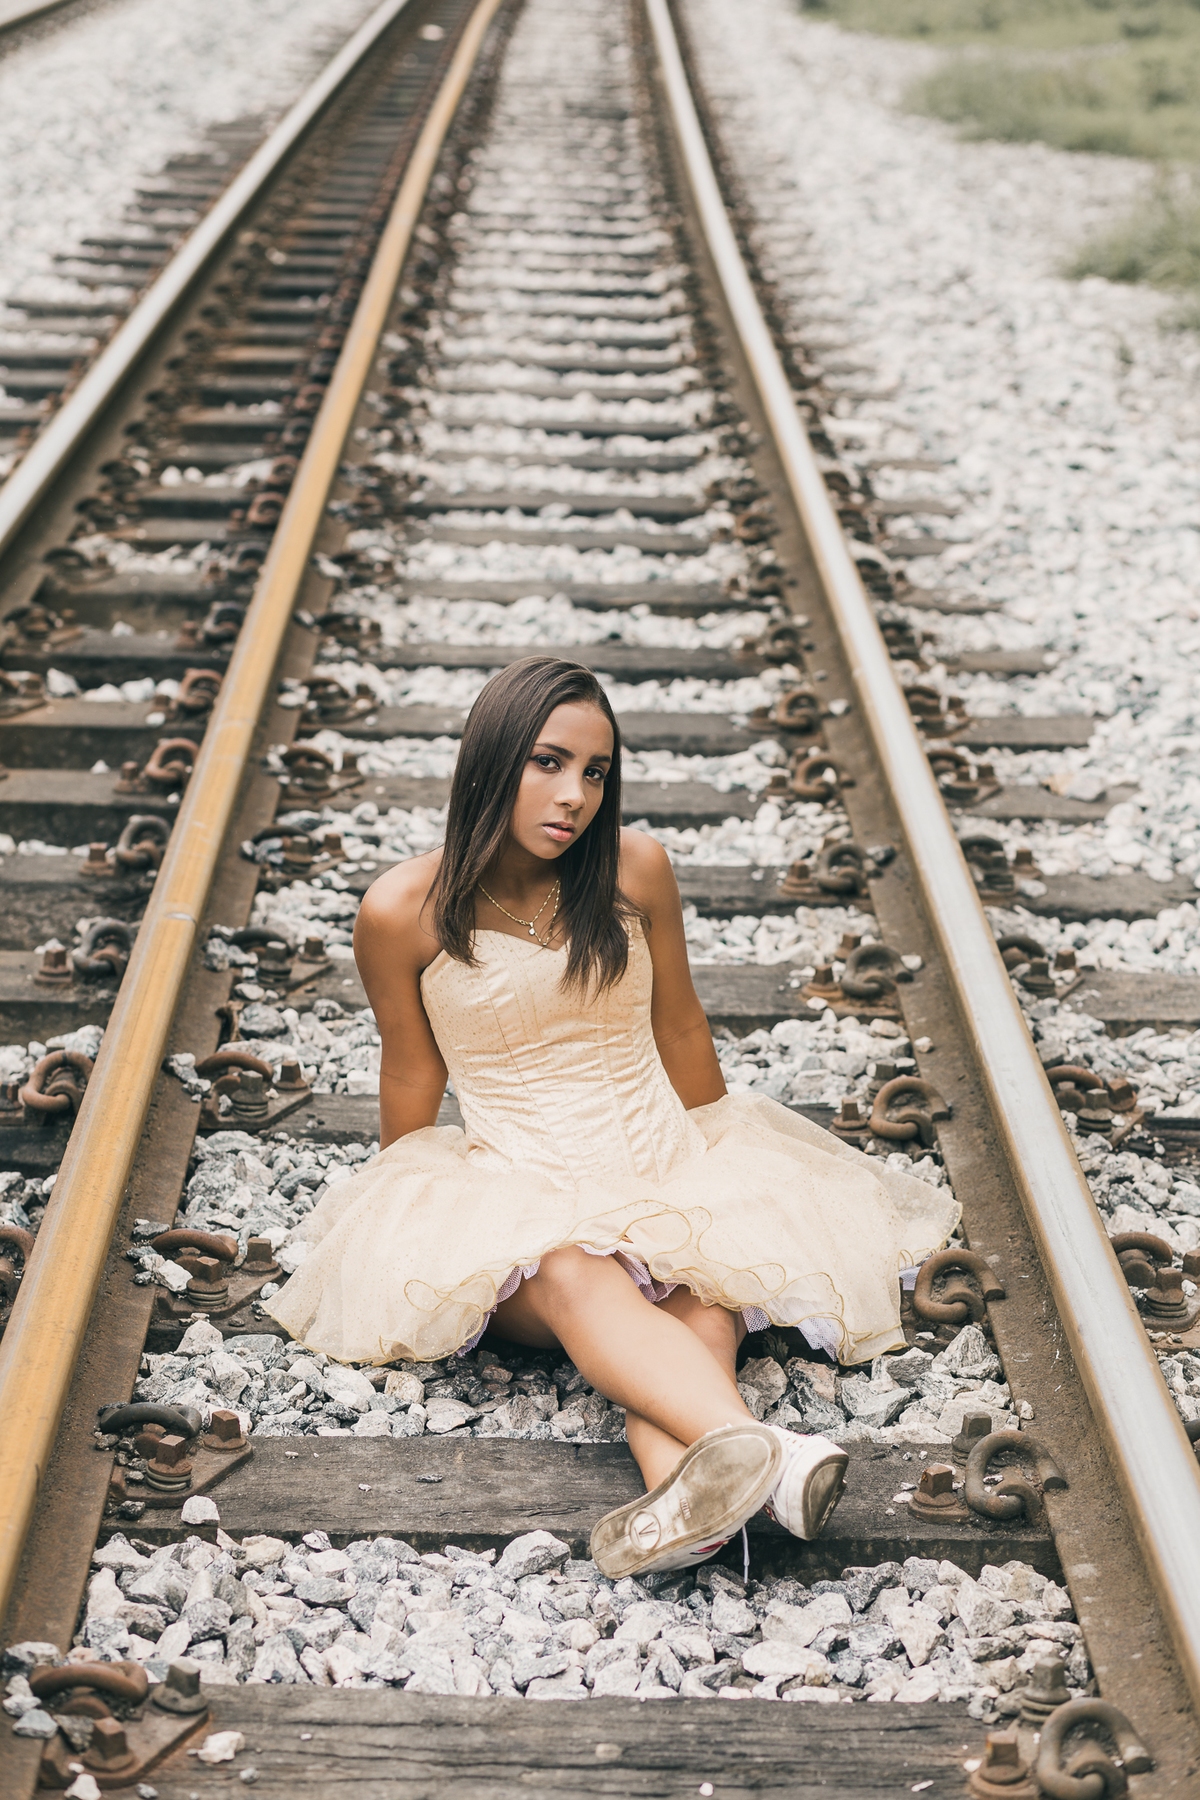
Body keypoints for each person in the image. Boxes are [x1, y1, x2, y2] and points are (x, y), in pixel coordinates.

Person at [266, 656, 959, 1577]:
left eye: (596, 772)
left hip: (663, 1161)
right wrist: (405, 1223)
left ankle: (701, 1491)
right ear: (493, 759)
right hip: (523, 1198)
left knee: (706, 1279)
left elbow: (680, 1025)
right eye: (549, 763)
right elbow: (411, 1071)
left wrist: (732, 1172)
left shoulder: (635, 868)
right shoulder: (401, 911)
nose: (576, 796)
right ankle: (772, 1452)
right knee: (573, 1267)